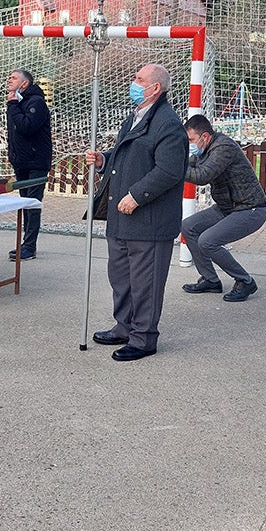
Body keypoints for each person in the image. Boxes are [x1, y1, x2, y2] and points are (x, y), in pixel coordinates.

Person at [86, 64, 188, 361]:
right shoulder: (134, 117)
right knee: (121, 277)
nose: (133, 83)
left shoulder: (167, 123)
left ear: (155, 88)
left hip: (148, 219)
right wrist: (104, 160)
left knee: (145, 282)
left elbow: (169, 170)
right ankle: (124, 326)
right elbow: (129, 157)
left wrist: (136, 196)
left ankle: (144, 338)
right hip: (122, 218)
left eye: (139, 80)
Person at [180, 114, 266, 302]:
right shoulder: (206, 150)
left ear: (204, 136)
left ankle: (245, 281)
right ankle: (210, 280)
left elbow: (203, 175)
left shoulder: (223, 148)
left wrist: (175, 169)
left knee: (207, 241)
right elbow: (190, 164)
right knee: (188, 226)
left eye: (191, 140)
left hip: (250, 208)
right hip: (227, 207)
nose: (190, 144)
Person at [6, 68, 52, 261]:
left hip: (36, 162)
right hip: (22, 162)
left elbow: (26, 126)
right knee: (25, 203)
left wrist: (14, 105)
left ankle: (29, 247)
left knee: (32, 205)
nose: (9, 80)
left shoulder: (36, 102)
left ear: (24, 84)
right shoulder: (17, 102)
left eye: (14, 78)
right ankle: (25, 244)